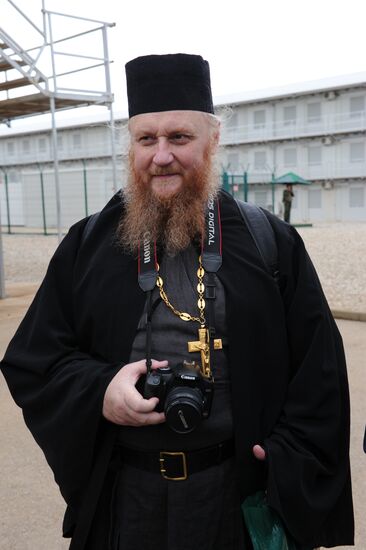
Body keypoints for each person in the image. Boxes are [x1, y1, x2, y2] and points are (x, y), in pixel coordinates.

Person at [0, 54, 354, 550]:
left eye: (179, 138)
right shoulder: (89, 244)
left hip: (237, 501)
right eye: (147, 139)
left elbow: (320, 377)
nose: (161, 155)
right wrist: (101, 390)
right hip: (126, 499)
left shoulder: (269, 243)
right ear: (132, 147)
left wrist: (281, 462)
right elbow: (33, 362)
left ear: (213, 141)